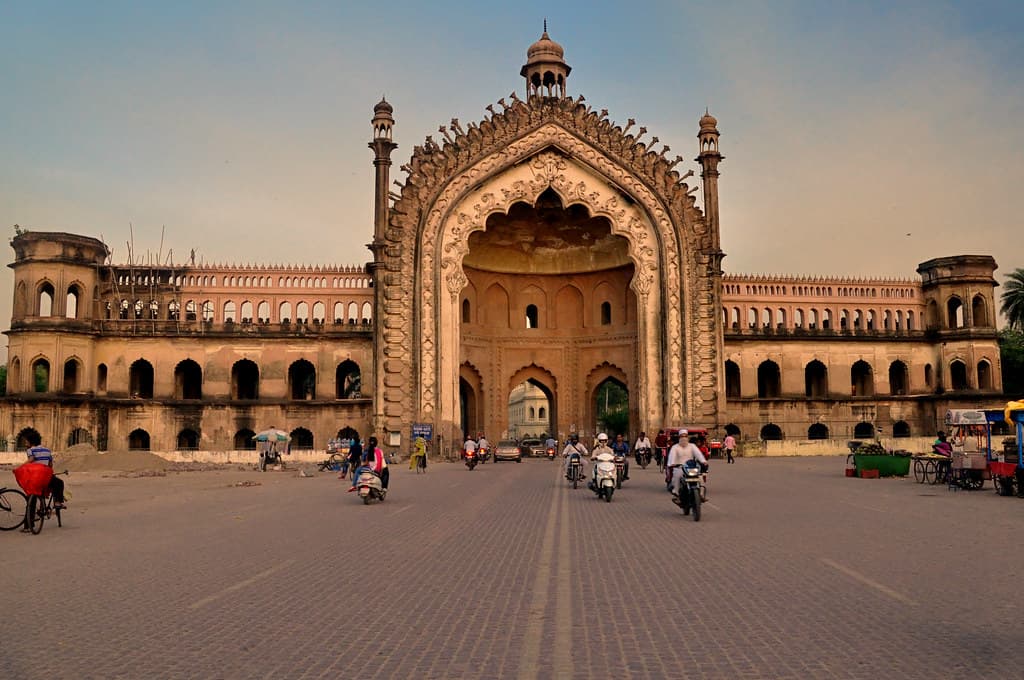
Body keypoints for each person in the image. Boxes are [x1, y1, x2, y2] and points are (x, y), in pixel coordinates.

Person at [667, 430, 708, 497]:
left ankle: (701, 494)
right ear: (679, 437)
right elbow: (672, 456)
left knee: (700, 477)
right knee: (676, 476)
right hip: (679, 467)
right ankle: (676, 493)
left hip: (690, 467)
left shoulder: (692, 446)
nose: (684, 438)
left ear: (687, 437)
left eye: (685, 436)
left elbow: (698, 454)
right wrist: (672, 463)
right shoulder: (675, 447)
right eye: (682, 436)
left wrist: (703, 461)